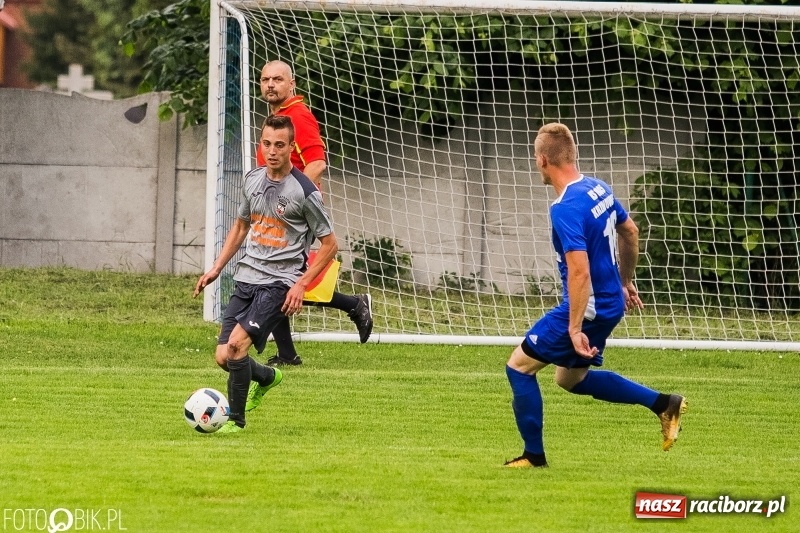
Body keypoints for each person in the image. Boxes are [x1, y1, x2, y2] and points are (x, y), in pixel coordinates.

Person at [503, 122, 687, 467]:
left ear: (543, 160)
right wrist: (625, 280)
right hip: (609, 303)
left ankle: (534, 457)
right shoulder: (597, 188)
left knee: (519, 367)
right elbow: (630, 231)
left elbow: (579, 271)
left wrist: (573, 328)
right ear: (572, 155)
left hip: (587, 308)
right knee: (570, 378)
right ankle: (664, 404)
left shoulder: (565, 207)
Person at [193, 115, 338, 433]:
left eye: (280, 145)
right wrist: (217, 267)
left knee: (236, 347)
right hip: (247, 276)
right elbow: (242, 224)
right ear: (262, 144)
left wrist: (301, 283)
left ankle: (236, 421)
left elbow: (329, 244)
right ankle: (268, 377)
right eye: (267, 144)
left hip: (278, 282)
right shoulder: (252, 179)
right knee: (222, 356)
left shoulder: (305, 191)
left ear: (290, 148)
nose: (272, 151)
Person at [257, 60, 372, 366]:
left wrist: (290, 199)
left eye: (277, 79)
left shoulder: (298, 116)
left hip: (294, 215)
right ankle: (288, 353)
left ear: (291, 84)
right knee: (274, 280)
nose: (270, 84)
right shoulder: (278, 117)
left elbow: (318, 163)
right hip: (275, 211)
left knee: (276, 281)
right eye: (265, 79)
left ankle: (354, 304)